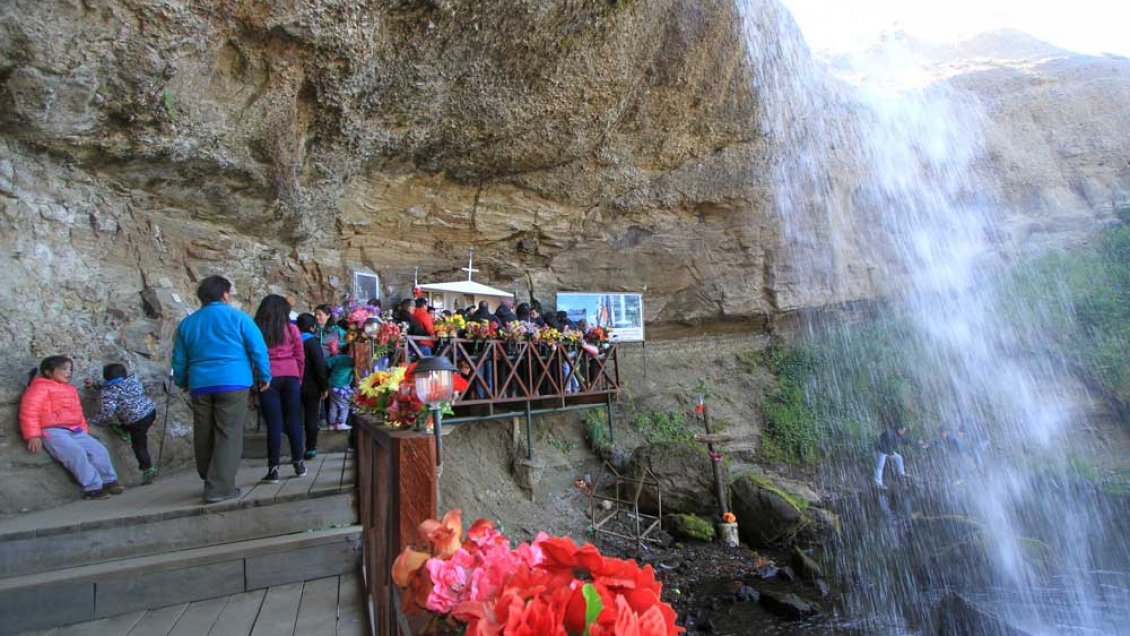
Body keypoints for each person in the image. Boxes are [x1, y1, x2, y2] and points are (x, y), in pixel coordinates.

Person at [173, 275, 271, 504]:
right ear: (225, 294)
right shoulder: (238, 318)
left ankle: (209, 477)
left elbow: (179, 358)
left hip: (199, 383)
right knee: (228, 434)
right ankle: (220, 488)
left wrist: (182, 380)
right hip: (233, 380)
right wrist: (265, 375)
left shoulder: (188, 323)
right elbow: (258, 349)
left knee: (204, 432)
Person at [21, 356, 124, 500]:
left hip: (74, 429)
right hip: (52, 430)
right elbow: (29, 410)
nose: (68, 372)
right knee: (75, 453)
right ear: (48, 372)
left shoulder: (70, 389)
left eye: (70, 369)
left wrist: (84, 431)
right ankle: (93, 487)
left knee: (98, 449)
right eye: (63, 369)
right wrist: (32, 435)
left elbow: (77, 411)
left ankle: (109, 481)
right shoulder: (39, 387)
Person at [255, 294, 307, 483]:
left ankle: (274, 469)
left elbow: (254, 355)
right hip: (291, 375)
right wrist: (299, 377)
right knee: (293, 420)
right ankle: (299, 463)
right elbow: (300, 355)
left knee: (274, 424)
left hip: (268, 377)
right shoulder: (292, 329)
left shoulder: (259, 330)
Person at [87, 363, 159, 485]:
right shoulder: (133, 381)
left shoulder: (109, 391)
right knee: (137, 433)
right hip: (150, 412)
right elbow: (115, 384)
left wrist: (94, 420)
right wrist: (96, 384)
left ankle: (147, 469)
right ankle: (125, 430)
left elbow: (108, 412)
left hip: (135, 421)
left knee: (139, 445)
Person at [297, 313, 329, 460]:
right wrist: (324, 387)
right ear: (312, 327)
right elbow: (319, 366)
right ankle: (310, 448)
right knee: (311, 417)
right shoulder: (312, 342)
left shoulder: (293, 341)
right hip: (311, 386)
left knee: (295, 417)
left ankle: (296, 449)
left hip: (294, 384)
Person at [874, 423, 911, 489]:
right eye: (903, 430)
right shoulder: (890, 433)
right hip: (880, 450)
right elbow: (884, 443)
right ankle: (878, 484)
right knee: (880, 466)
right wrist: (889, 452)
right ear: (899, 429)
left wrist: (918, 443)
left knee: (899, 458)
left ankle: (901, 474)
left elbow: (906, 440)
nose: (903, 432)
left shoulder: (898, 435)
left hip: (888, 451)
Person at [325, 353, 355, 431]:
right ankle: (341, 423)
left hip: (331, 384)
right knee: (345, 404)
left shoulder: (340, 357)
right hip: (341, 386)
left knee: (333, 405)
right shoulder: (353, 361)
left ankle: (332, 424)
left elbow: (327, 363)